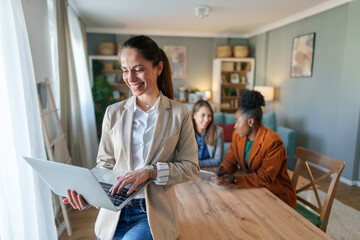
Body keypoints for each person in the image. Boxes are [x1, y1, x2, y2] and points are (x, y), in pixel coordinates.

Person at [63, 35, 199, 240]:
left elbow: (191, 166)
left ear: (158, 68)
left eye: (138, 69)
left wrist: (150, 171)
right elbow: (105, 163)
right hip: (113, 211)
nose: (131, 79)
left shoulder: (179, 113)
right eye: (125, 71)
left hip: (152, 213)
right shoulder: (113, 113)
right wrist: (90, 194)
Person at [212, 90, 296, 208]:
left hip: (276, 196)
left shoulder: (272, 141)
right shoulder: (238, 135)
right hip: (254, 190)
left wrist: (235, 180)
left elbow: (264, 177)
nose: (235, 126)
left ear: (251, 122)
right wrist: (224, 169)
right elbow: (231, 158)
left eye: (237, 121)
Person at [191, 100, 224, 167]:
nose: (207, 120)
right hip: (189, 171)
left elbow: (218, 160)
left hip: (209, 170)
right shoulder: (186, 132)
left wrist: (195, 164)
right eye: (203, 115)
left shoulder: (218, 131)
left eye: (209, 115)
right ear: (194, 115)